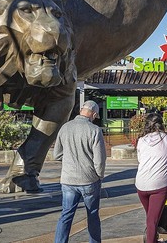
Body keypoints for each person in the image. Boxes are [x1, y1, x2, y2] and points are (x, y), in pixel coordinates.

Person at [54, 100, 106, 243]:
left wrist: (70, 160)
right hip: (89, 180)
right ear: (94, 114)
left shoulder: (65, 128)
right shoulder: (95, 130)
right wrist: (99, 175)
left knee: (66, 215)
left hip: (68, 180)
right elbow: (99, 160)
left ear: (81, 110)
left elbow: (56, 155)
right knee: (93, 214)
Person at [135, 113, 167, 243]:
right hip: (160, 185)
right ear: (161, 124)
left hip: (141, 185)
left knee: (151, 217)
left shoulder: (141, 140)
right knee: (152, 220)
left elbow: (140, 160)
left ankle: (154, 237)